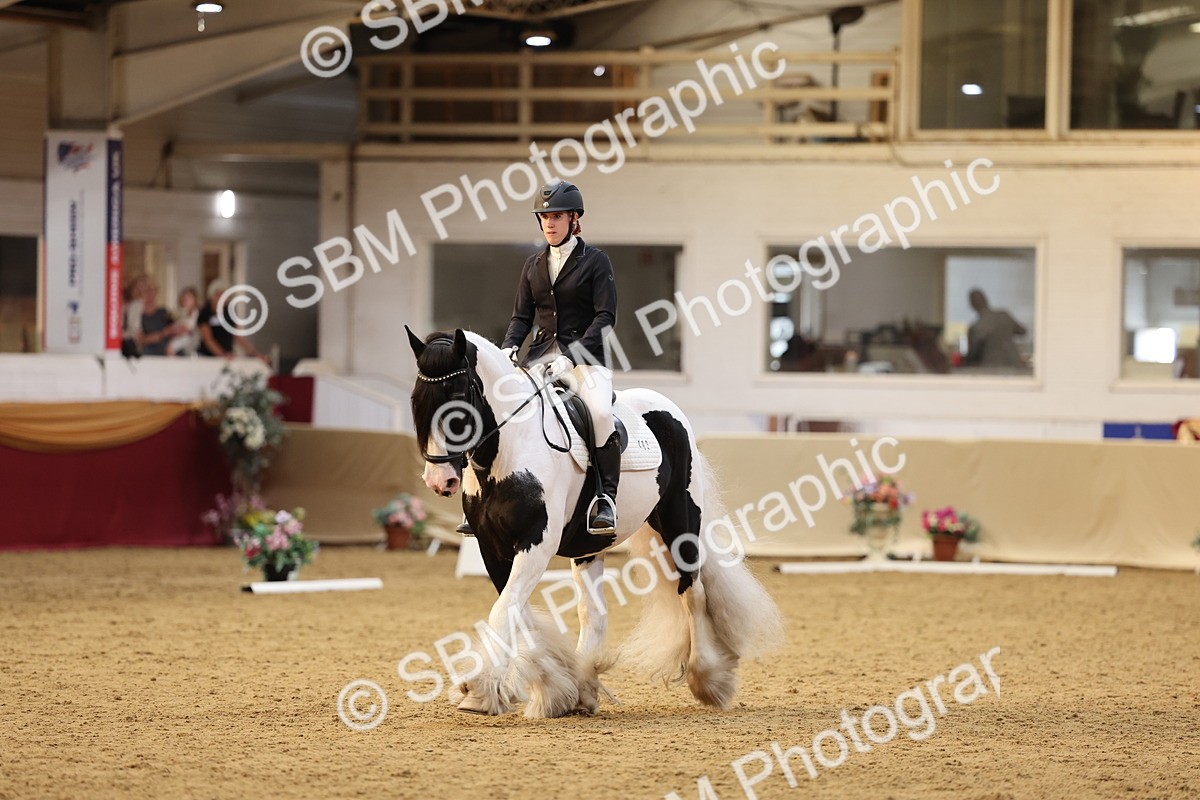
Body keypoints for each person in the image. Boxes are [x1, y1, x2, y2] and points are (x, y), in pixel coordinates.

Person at [459, 180, 620, 538]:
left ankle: (605, 499)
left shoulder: (595, 261)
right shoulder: (533, 265)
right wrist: (508, 348)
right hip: (538, 359)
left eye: (557, 216)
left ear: (574, 218)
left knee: (600, 412)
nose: (549, 223)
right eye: (544, 217)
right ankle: (477, 498)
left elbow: (605, 317)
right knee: (495, 409)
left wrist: (572, 357)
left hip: (586, 361)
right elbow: (521, 317)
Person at [197, 278, 267, 361]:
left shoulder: (229, 312)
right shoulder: (205, 312)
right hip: (208, 357)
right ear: (212, 295)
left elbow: (238, 336)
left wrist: (254, 353)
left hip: (227, 355)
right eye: (218, 294)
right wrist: (222, 354)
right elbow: (208, 339)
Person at [963, 289, 1027, 370]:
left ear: (972, 305)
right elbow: (1022, 331)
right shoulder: (1004, 315)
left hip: (991, 368)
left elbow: (971, 356)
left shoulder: (976, 327)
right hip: (1014, 364)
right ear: (986, 300)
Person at [138, 281, 174, 356]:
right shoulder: (139, 315)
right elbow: (141, 340)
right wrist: (163, 333)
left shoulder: (164, 312)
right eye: (147, 292)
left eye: (154, 293)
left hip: (169, 351)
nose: (151, 296)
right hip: (150, 353)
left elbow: (173, 330)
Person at [166, 287, 200, 357]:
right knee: (169, 348)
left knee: (170, 348)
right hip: (181, 337)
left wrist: (177, 330)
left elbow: (189, 329)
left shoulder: (196, 313)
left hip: (191, 339)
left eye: (188, 299)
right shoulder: (182, 313)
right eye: (184, 299)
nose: (185, 301)